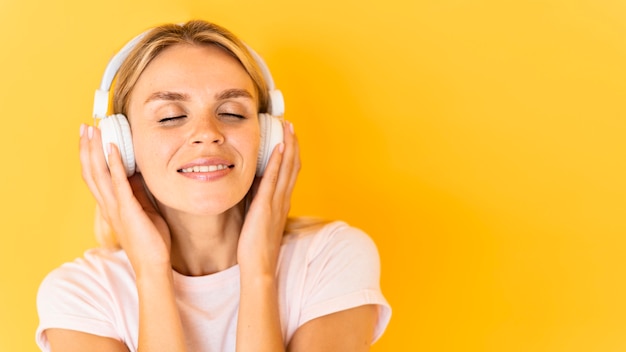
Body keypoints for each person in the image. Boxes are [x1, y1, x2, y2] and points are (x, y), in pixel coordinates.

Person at [35, 19, 391, 352]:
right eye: (171, 117)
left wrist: (259, 272)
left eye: (232, 113)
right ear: (122, 144)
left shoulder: (330, 258)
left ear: (266, 137)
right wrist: (151, 272)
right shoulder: (80, 295)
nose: (207, 133)